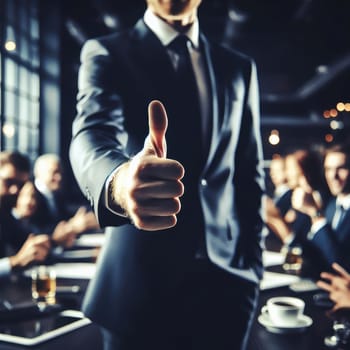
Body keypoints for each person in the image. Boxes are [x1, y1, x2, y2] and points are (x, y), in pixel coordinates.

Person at [70, 1, 265, 349]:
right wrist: (118, 182)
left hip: (226, 293)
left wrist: (252, 272)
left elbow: (248, 175)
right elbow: (91, 134)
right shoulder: (106, 52)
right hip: (138, 294)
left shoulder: (239, 68)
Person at [292, 143, 350, 271]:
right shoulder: (332, 205)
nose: (333, 176)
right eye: (328, 169)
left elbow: (339, 266)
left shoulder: (324, 208)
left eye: (341, 168)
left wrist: (315, 212)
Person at [0, 151, 50, 278]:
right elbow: (19, 258)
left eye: (20, 185)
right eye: (8, 182)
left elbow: (26, 243)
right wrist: (15, 262)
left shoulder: (6, 215)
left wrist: (52, 241)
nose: (15, 190)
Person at [33, 153, 99, 234]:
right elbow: (35, 230)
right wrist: (71, 226)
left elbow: (66, 213)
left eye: (60, 172)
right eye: (54, 172)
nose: (59, 177)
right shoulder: (31, 196)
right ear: (39, 173)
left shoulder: (55, 195)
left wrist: (86, 218)